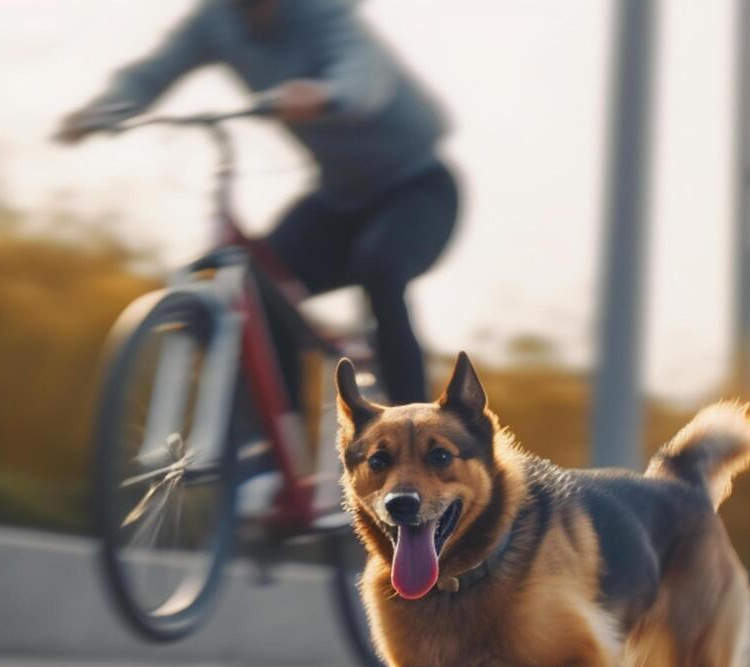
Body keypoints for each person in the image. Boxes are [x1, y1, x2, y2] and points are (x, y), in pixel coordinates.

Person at [58, 0, 459, 407]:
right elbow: (151, 73)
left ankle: (416, 429)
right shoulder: (216, 21)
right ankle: (279, 443)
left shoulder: (320, 12)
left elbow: (365, 76)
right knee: (257, 283)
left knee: (380, 266)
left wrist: (327, 94)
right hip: (340, 199)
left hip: (418, 188)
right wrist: (101, 111)